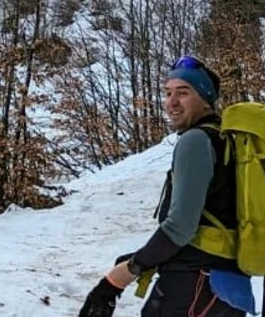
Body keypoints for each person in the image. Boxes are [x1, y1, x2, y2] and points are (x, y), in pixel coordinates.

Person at [78, 56, 248, 317]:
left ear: (205, 99)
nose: (172, 102)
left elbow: (180, 227)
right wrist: (143, 256)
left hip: (193, 285)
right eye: (168, 93)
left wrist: (121, 276)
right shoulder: (224, 139)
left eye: (183, 93)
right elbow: (210, 218)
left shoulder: (196, 141)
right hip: (224, 283)